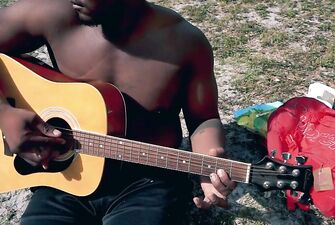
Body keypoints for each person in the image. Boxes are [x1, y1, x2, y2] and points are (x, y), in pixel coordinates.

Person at [0, 0, 236, 224]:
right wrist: (5, 113)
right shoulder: (52, 14)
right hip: (65, 175)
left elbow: (204, 117)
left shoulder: (184, 42)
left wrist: (209, 165)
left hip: (147, 181)